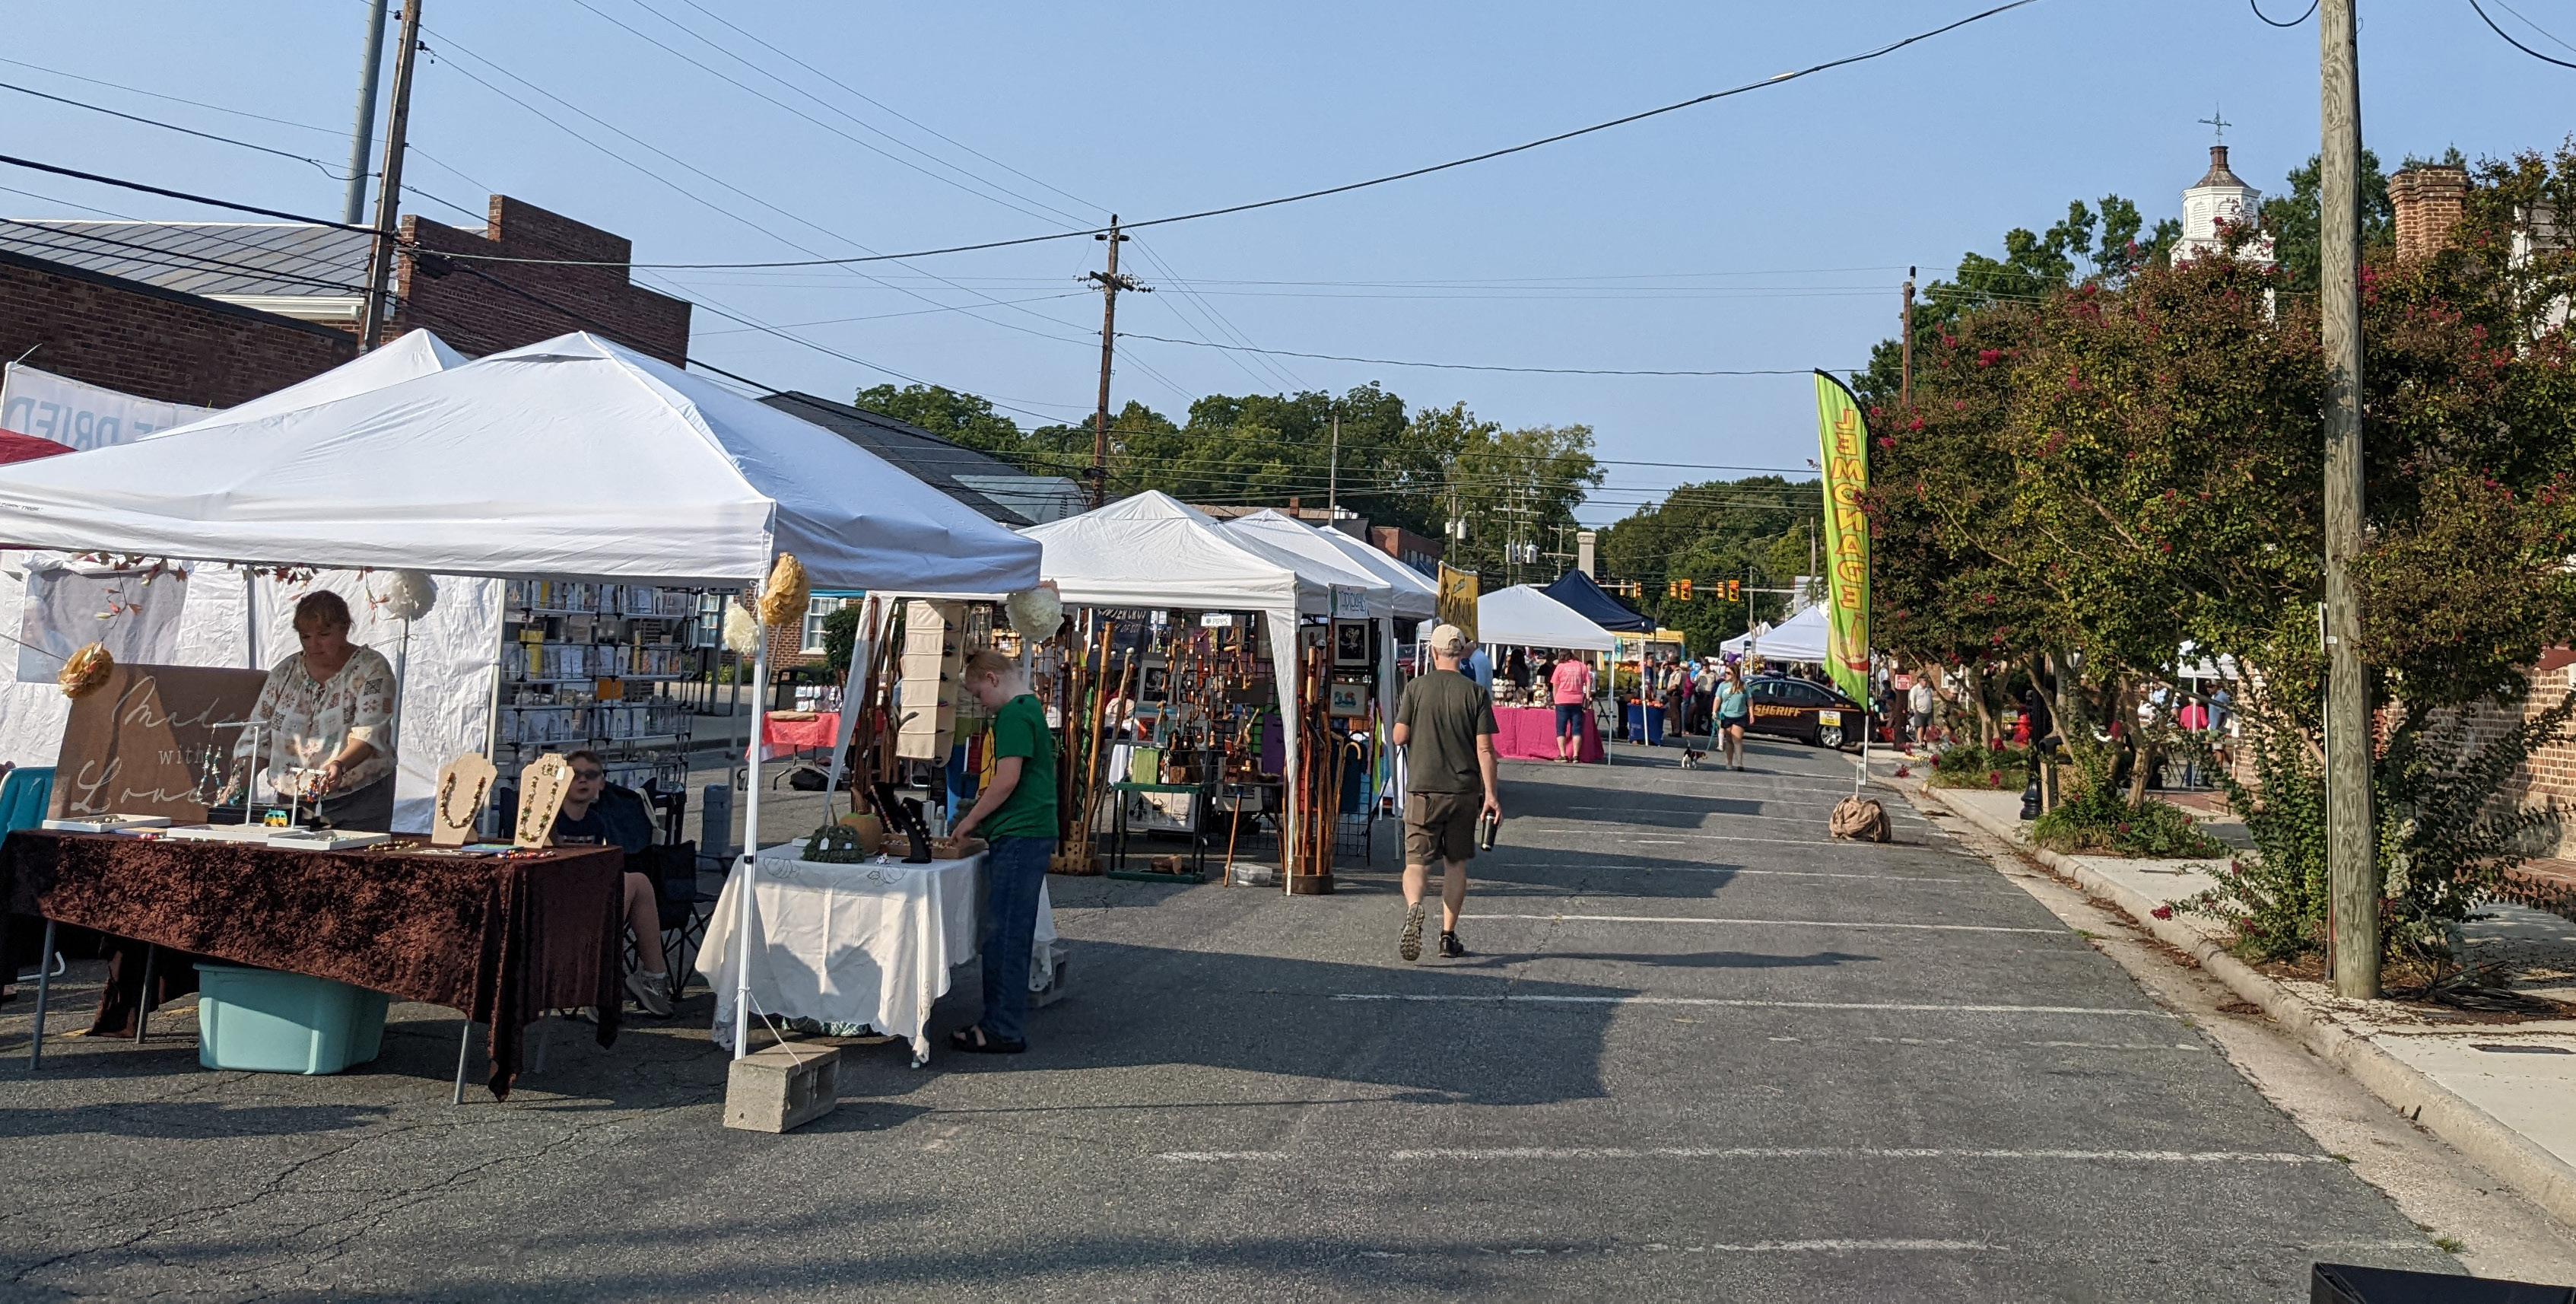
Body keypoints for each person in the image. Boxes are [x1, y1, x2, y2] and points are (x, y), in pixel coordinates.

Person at [946, 648, 1059, 1054]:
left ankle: (1001, 1028)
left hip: (1020, 832)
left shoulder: (1012, 715)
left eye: (979, 694)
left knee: (1006, 933)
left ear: (992, 679)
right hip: (1032, 829)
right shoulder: (1031, 708)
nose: (982, 705)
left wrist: (971, 820)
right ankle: (1002, 1020)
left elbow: (1007, 779)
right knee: (1012, 930)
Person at [230, 590, 399, 832]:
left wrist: (339, 765)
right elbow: (258, 734)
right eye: (306, 636)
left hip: (357, 799)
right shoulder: (285, 672)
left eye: (324, 635)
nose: (313, 644)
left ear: (344, 629)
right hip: (292, 799)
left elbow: (369, 732)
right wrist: (238, 785)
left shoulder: (371, 668)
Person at [1391, 624, 1501, 962]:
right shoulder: (1475, 693)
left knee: (1416, 863)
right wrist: (1491, 796)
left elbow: (1399, 737)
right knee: (1455, 864)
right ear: (1462, 653)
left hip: (1423, 788)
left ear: (1434, 653)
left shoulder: (1416, 688)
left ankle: (1414, 906)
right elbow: (1486, 749)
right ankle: (1447, 936)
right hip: (1463, 792)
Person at [551, 750, 673, 1017]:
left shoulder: (596, 821)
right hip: (555, 898)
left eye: (591, 775)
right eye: (575, 774)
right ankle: (598, 977)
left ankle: (652, 977)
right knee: (627, 885)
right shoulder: (551, 818)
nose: (583, 780)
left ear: (601, 783)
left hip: (588, 893)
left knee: (637, 881)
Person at [1548, 649, 1594, 763]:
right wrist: (1588, 696)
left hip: (1562, 701)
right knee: (1577, 729)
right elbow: (1588, 681)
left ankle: (1563, 755)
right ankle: (1576, 755)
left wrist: (1555, 700)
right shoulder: (1581, 666)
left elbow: (1555, 685)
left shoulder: (1560, 667)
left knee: (1561, 729)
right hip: (1577, 701)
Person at [1713, 664, 1750, 770]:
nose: (1726, 675)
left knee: (1737, 739)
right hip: (1726, 715)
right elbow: (1718, 698)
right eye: (1726, 672)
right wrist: (1714, 711)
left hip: (1740, 714)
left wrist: (1751, 713)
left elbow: (1749, 699)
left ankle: (1740, 763)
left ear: (1735, 674)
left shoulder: (1743, 685)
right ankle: (1729, 763)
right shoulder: (1722, 685)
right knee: (1729, 740)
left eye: (1729, 673)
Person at [1908, 673, 1935, 749]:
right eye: (1924, 680)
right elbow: (1912, 700)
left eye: (1926, 681)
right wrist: (1914, 710)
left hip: (1929, 711)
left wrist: (1932, 708)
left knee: (1930, 728)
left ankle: (1925, 739)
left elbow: (1931, 699)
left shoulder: (1929, 689)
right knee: (1921, 728)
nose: (1926, 682)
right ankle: (1920, 743)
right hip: (1919, 711)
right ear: (1920, 680)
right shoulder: (1915, 689)